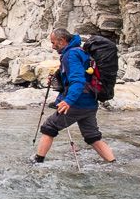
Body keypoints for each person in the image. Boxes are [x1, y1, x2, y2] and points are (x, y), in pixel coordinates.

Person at [32, 28, 116, 165]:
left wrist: (68, 101)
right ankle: (113, 163)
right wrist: (57, 77)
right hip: (90, 102)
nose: (53, 46)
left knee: (49, 127)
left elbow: (78, 81)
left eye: (54, 43)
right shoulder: (80, 51)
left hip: (77, 103)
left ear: (62, 40)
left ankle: (37, 162)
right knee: (92, 136)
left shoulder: (70, 55)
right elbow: (83, 75)